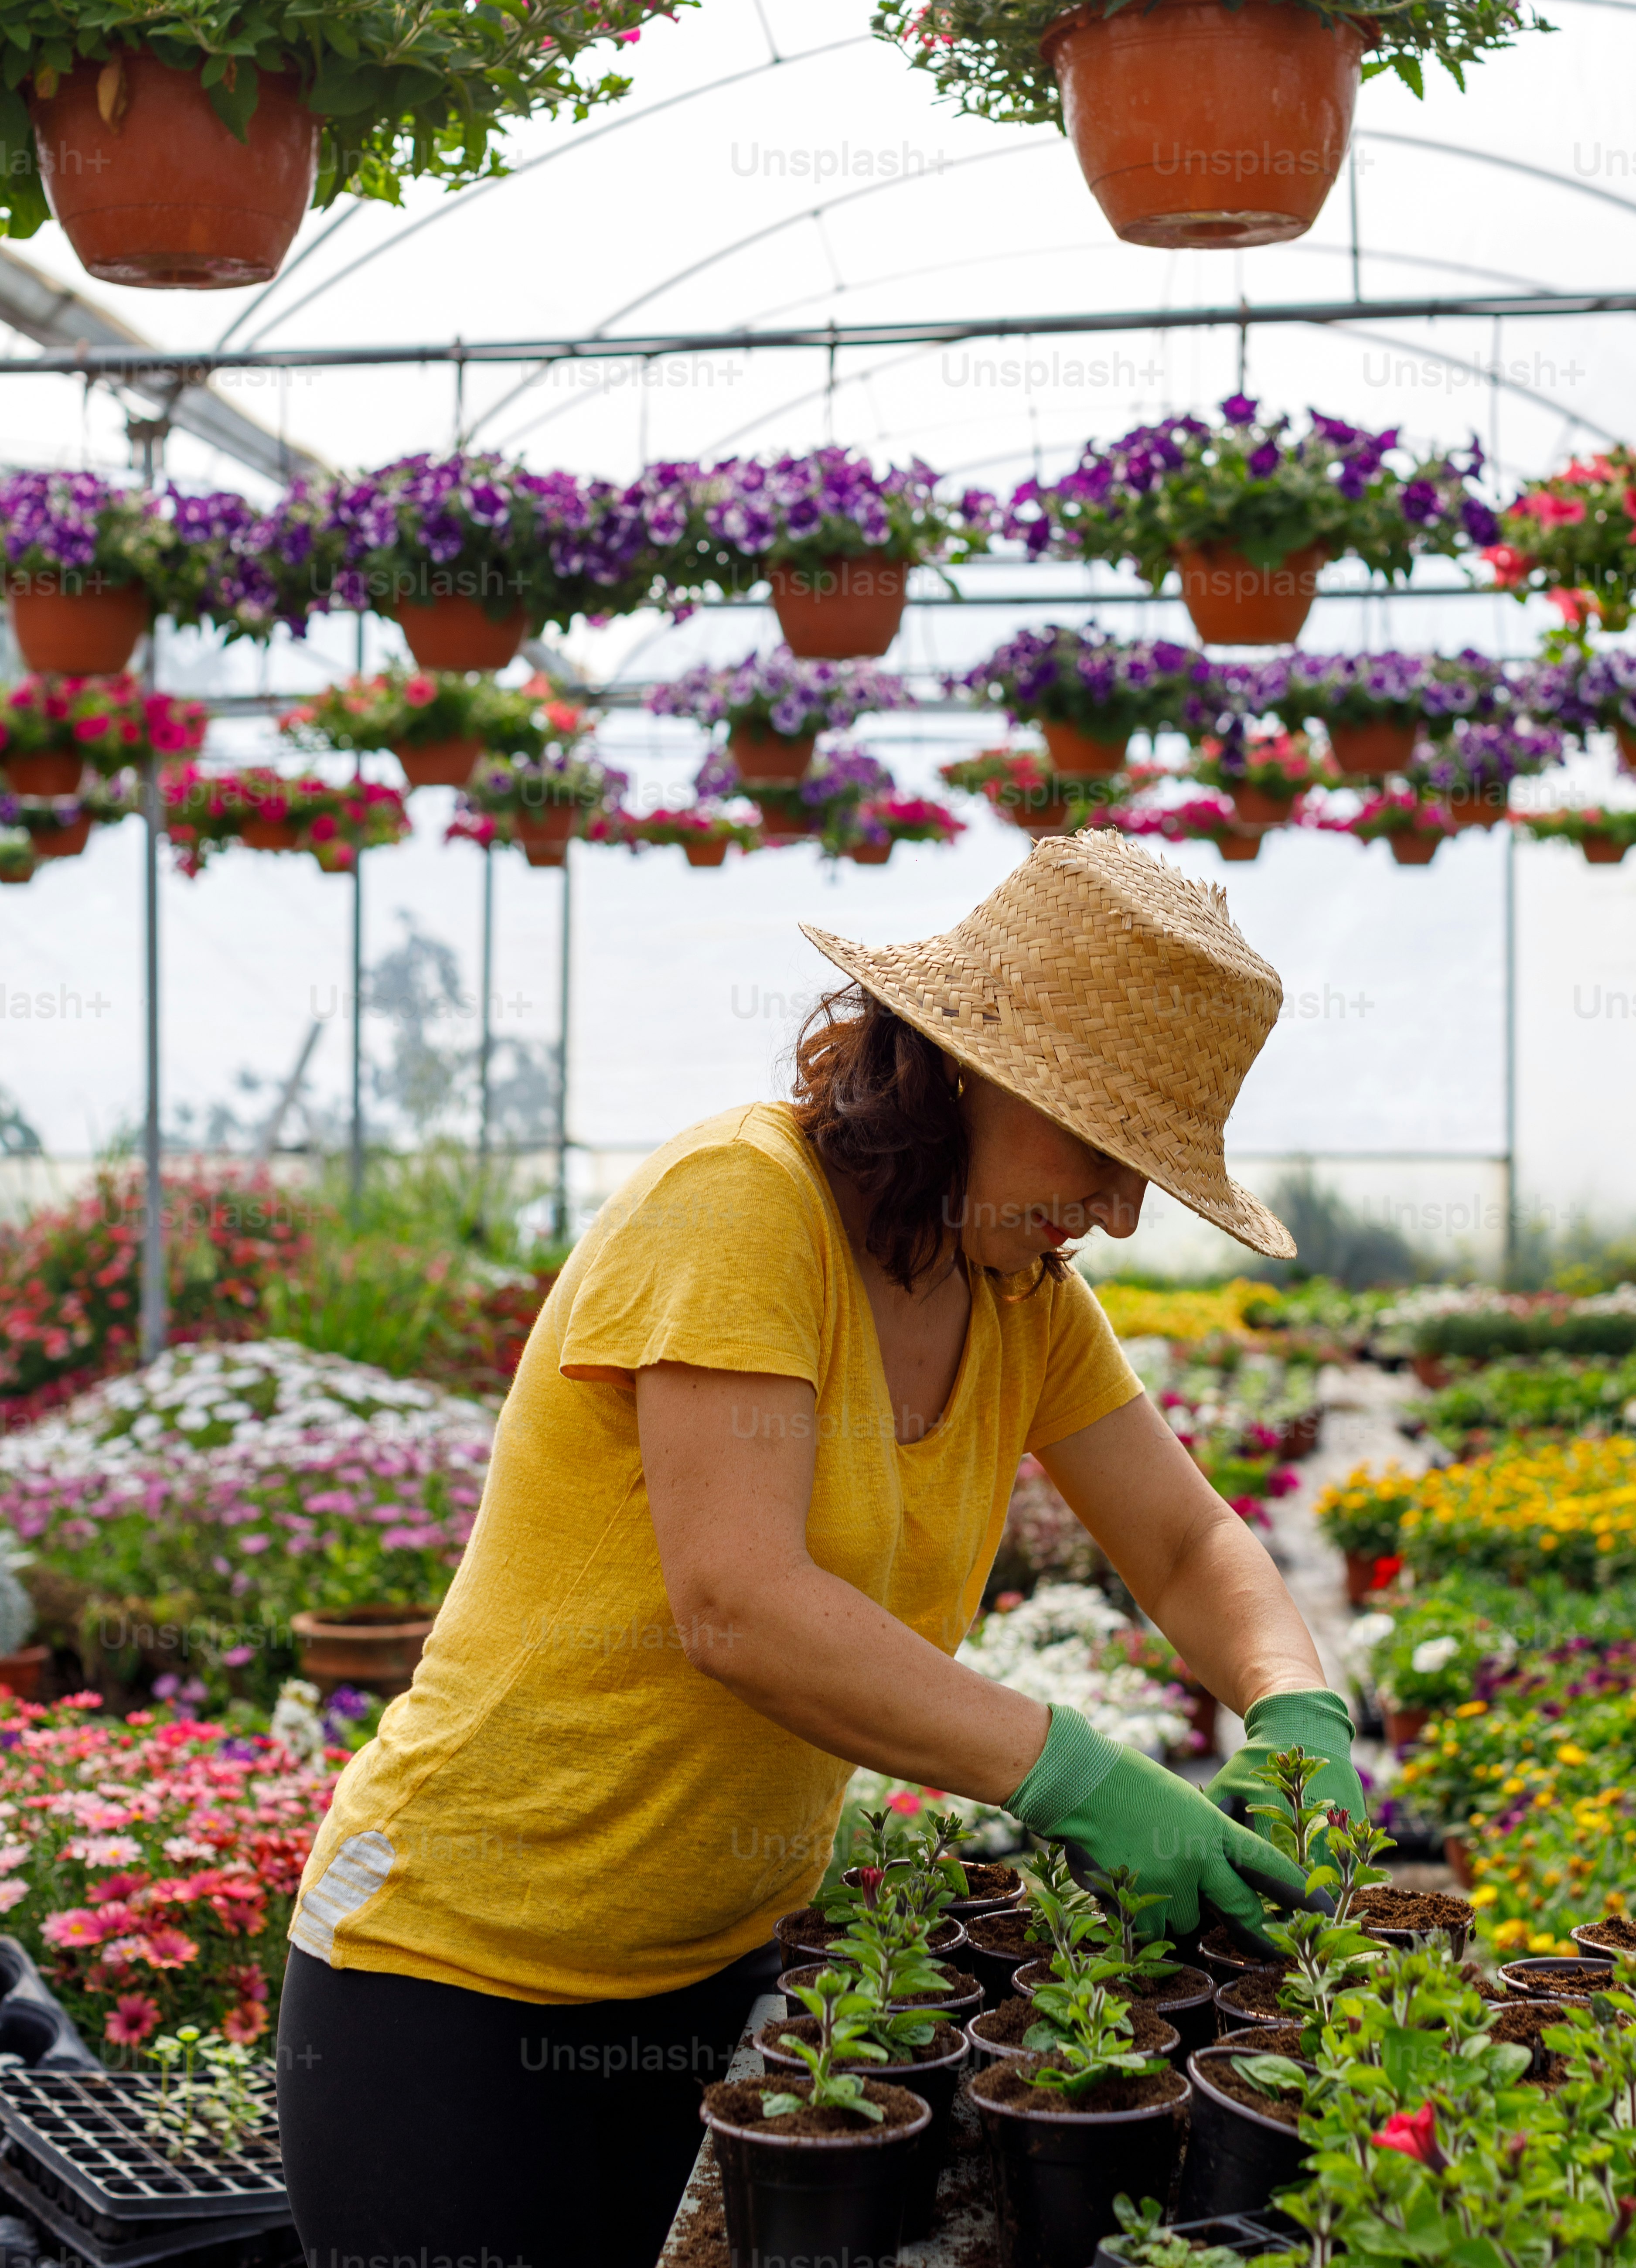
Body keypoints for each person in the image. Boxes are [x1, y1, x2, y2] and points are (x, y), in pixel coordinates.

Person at [277, 831, 1361, 2268]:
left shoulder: (1021, 1296)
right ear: (970, 1063)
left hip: (719, 1966)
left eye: (1146, 1170)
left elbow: (1182, 1539)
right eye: (1104, 1147)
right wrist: (1076, 1776)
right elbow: (739, 1604)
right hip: (456, 1969)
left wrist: (1295, 1706)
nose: (1117, 1208)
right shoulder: (742, 1202)